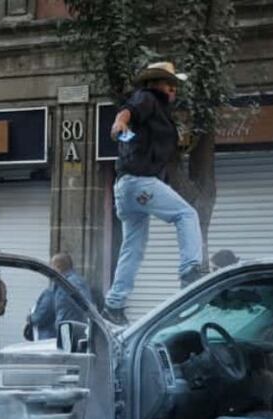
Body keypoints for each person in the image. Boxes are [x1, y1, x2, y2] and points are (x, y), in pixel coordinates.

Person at [103, 61, 204, 326]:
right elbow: (128, 111)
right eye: (170, 84)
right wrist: (119, 124)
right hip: (139, 183)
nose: (174, 90)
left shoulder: (160, 111)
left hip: (126, 188)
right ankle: (190, 272)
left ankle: (114, 304)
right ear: (156, 83)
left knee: (133, 247)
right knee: (186, 214)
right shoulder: (146, 98)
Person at [27, 252, 92, 340]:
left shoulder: (66, 284)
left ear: (58, 267)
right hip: (75, 331)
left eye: (51, 267)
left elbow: (47, 308)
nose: (50, 270)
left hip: (69, 333)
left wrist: (31, 318)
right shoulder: (76, 281)